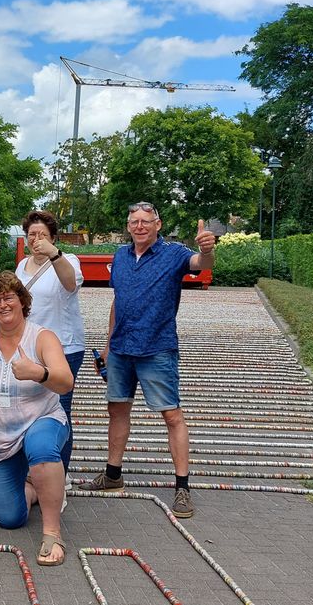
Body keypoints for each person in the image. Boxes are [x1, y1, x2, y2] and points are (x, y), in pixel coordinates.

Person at [78, 204, 215, 521]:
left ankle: (182, 486)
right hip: (122, 348)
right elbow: (118, 301)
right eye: (134, 222)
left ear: (158, 225)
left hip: (157, 348)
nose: (139, 226)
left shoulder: (175, 253)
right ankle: (113, 474)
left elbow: (201, 263)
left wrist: (207, 250)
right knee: (117, 409)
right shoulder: (122, 256)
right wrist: (108, 345)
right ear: (128, 226)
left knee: (171, 415)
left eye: (145, 221)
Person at [0, 272, 74, 566]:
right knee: (9, 519)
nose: (2, 304)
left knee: (42, 448)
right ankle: (35, 488)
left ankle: (52, 532)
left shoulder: (42, 336)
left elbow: (66, 382)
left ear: (22, 301)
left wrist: (38, 372)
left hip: (41, 419)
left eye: (8, 297)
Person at [15, 210, 84, 468]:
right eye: (32, 234)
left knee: (60, 411)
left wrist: (54, 254)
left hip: (64, 347)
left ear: (54, 238)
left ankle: (60, 473)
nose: (36, 240)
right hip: (30, 348)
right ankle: (33, 467)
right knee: (29, 409)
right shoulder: (22, 265)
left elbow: (70, 284)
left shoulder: (69, 260)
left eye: (43, 235)